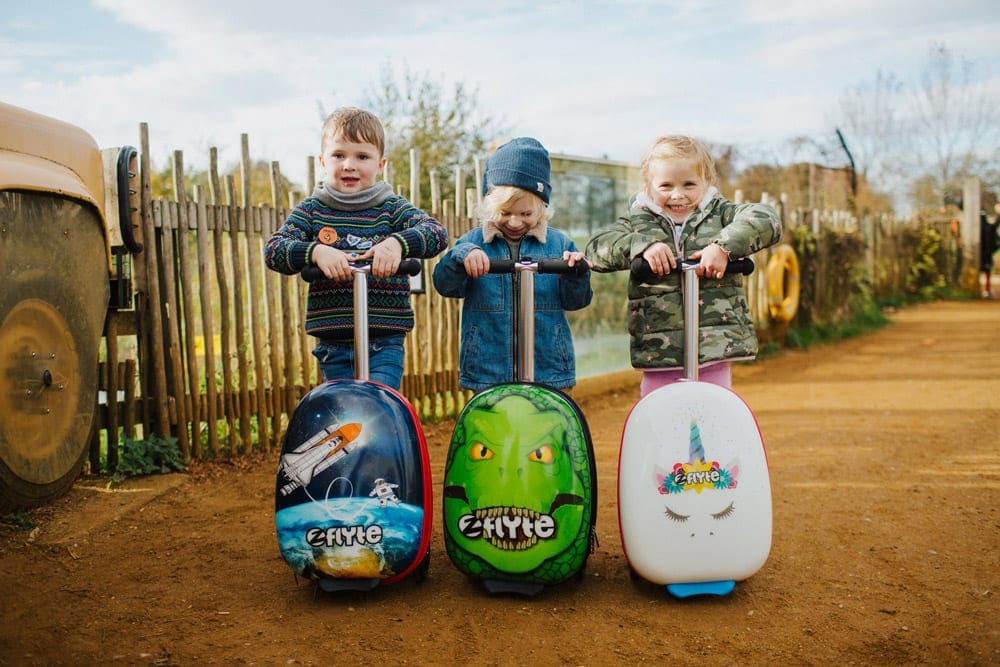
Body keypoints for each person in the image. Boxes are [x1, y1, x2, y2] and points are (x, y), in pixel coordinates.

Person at [264, 107, 448, 389]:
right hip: (333, 344)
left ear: (380, 164)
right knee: (344, 416)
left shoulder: (392, 208)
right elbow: (275, 250)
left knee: (379, 408)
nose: (349, 165)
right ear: (323, 161)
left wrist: (397, 243)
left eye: (362, 156)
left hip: (383, 342)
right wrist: (315, 251)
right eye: (339, 155)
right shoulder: (312, 210)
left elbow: (436, 233)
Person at [585, 134, 782, 397]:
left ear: (706, 182)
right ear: (648, 186)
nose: (678, 195)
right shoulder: (638, 221)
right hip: (659, 352)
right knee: (659, 418)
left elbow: (767, 219)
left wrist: (723, 246)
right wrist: (642, 245)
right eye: (666, 185)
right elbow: (596, 247)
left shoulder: (720, 214)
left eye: (689, 184)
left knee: (713, 418)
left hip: (714, 348)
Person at [432, 137, 592, 393]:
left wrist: (576, 273)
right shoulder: (474, 242)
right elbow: (445, 285)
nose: (515, 222)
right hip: (489, 369)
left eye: (525, 214)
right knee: (493, 430)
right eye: (505, 213)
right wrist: (461, 256)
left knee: (547, 428)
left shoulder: (559, 244)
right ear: (489, 205)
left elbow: (577, 301)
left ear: (541, 208)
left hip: (548, 367)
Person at [980, 207, 999, 298]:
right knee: (987, 272)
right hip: (987, 254)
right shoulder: (989, 227)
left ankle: (984, 290)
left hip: (979, 254)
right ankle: (987, 290)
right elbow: (995, 225)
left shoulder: (975, 227)